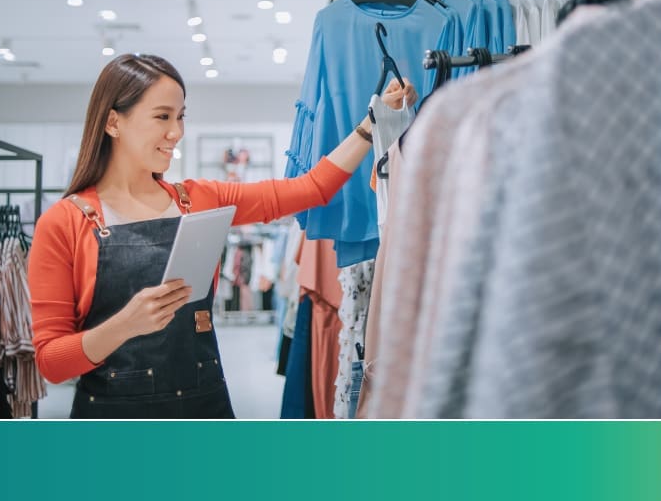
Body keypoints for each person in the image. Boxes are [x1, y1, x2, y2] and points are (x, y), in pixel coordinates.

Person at [27, 53, 416, 418]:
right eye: (162, 116)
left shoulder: (199, 199)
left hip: (204, 408)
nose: (176, 132)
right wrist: (125, 325)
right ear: (113, 122)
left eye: (181, 116)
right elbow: (50, 362)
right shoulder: (64, 223)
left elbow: (312, 188)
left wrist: (371, 125)